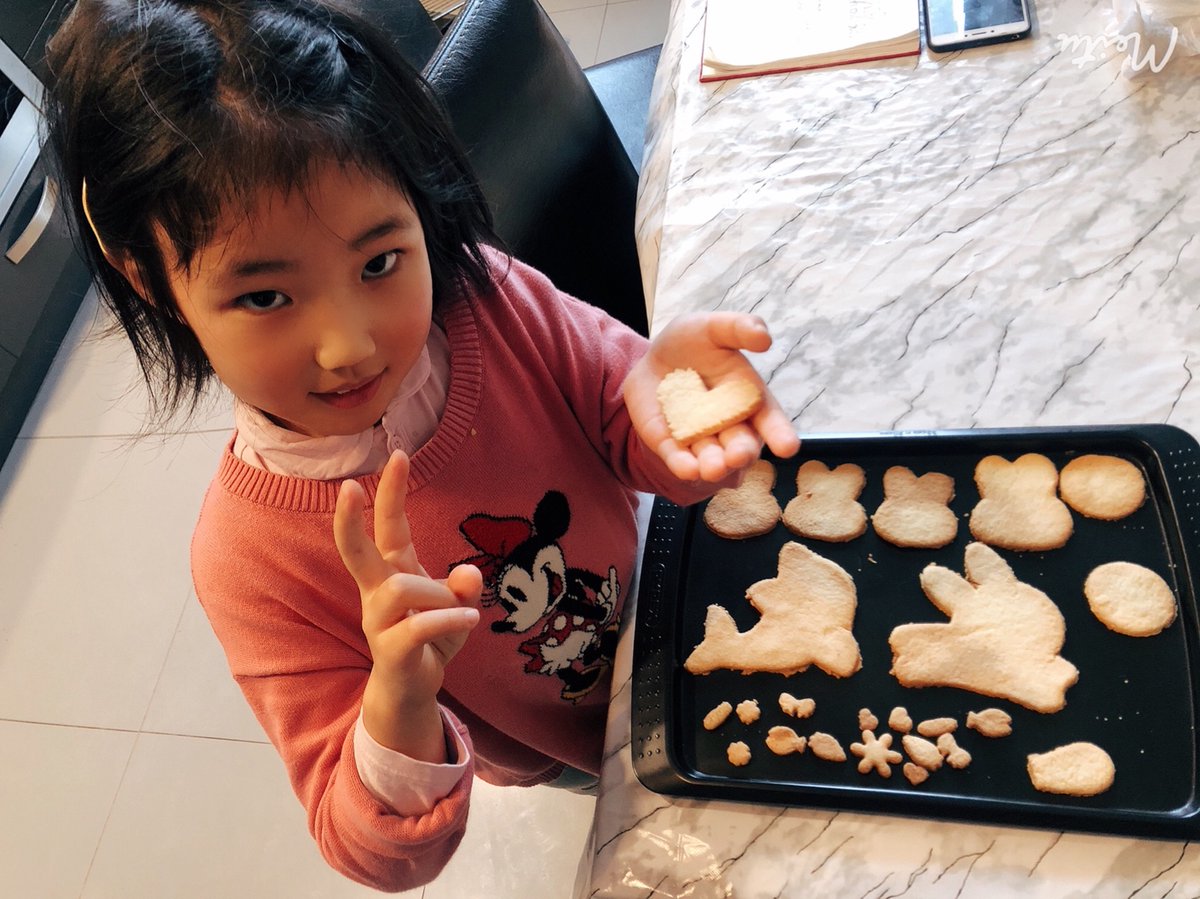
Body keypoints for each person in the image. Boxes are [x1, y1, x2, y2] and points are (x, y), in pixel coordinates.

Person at [41, 0, 800, 890]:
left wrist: (654, 404)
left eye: (378, 262)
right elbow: (365, 840)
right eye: (265, 297)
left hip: (671, 597)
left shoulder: (486, 295)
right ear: (155, 282)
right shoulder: (247, 561)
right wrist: (398, 700)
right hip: (567, 742)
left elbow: (610, 402)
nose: (351, 344)